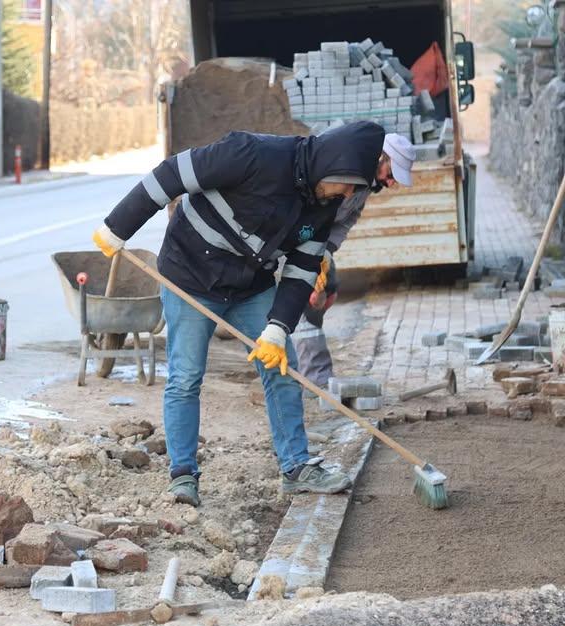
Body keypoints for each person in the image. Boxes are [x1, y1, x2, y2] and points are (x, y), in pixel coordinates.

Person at [92, 122, 413, 507]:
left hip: (250, 285)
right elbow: (172, 173)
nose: (349, 195)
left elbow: (299, 272)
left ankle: (295, 467)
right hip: (191, 275)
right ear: (338, 166)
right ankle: (183, 476)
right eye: (348, 185)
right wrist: (118, 225)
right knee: (186, 376)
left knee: (281, 366)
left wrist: (278, 328)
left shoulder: (325, 205)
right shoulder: (252, 154)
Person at [293, 133, 416, 389]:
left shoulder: (366, 186)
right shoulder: (347, 169)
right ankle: (315, 378)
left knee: (330, 293)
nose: (391, 184)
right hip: (299, 240)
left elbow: (346, 222)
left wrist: (326, 254)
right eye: (391, 174)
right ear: (383, 157)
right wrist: (308, 261)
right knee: (310, 301)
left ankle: (297, 353)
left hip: (321, 245)